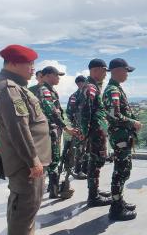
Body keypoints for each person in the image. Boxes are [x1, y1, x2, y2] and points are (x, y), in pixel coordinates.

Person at [0, 44, 49, 235]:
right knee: (23, 207)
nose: (33, 68)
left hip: (29, 161)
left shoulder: (14, 85)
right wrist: (33, 160)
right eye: (28, 63)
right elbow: (18, 129)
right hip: (26, 163)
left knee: (29, 205)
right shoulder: (8, 88)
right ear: (13, 63)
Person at [103, 58, 142, 221]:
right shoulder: (113, 90)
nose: (127, 74)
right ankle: (116, 208)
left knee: (124, 169)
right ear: (117, 70)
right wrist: (133, 122)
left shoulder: (116, 88)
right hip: (120, 136)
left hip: (123, 136)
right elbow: (114, 114)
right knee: (120, 171)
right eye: (126, 71)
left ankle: (120, 200)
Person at [76, 59, 117, 207]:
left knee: (96, 161)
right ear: (95, 70)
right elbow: (85, 112)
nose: (106, 74)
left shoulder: (92, 86)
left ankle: (95, 191)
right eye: (104, 70)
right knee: (95, 162)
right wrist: (86, 134)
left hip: (96, 131)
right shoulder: (91, 87)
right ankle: (93, 197)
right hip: (95, 132)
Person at [34, 66, 78, 199]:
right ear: (47, 75)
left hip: (54, 129)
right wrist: (66, 127)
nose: (58, 78)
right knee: (53, 159)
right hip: (50, 129)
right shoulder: (44, 90)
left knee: (55, 158)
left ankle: (54, 189)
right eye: (56, 75)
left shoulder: (50, 90)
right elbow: (51, 110)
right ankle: (53, 190)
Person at [65, 75, 89, 179]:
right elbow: (69, 112)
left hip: (89, 127)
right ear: (79, 84)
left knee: (88, 148)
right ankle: (78, 170)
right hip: (79, 127)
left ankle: (86, 168)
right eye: (83, 83)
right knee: (79, 148)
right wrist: (75, 124)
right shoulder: (75, 96)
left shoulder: (89, 95)